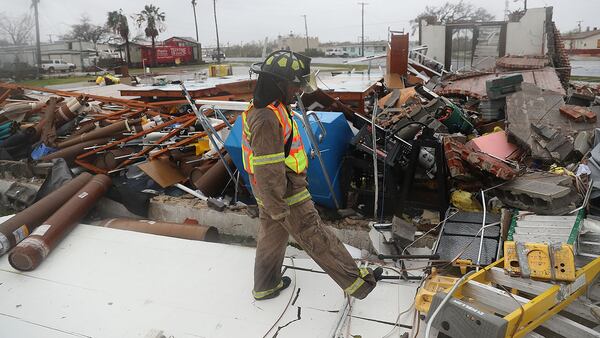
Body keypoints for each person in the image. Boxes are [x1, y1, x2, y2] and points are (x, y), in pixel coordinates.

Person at [242, 50, 382, 301]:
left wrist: (272, 206)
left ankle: (265, 286)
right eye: (295, 85)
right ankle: (360, 284)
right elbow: (268, 167)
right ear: (278, 83)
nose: (298, 91)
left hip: (270, 193)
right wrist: (278, 206)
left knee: (271, 239)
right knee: (316, 236)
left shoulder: (268, 109)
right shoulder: (266, 119)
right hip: (285, 192)